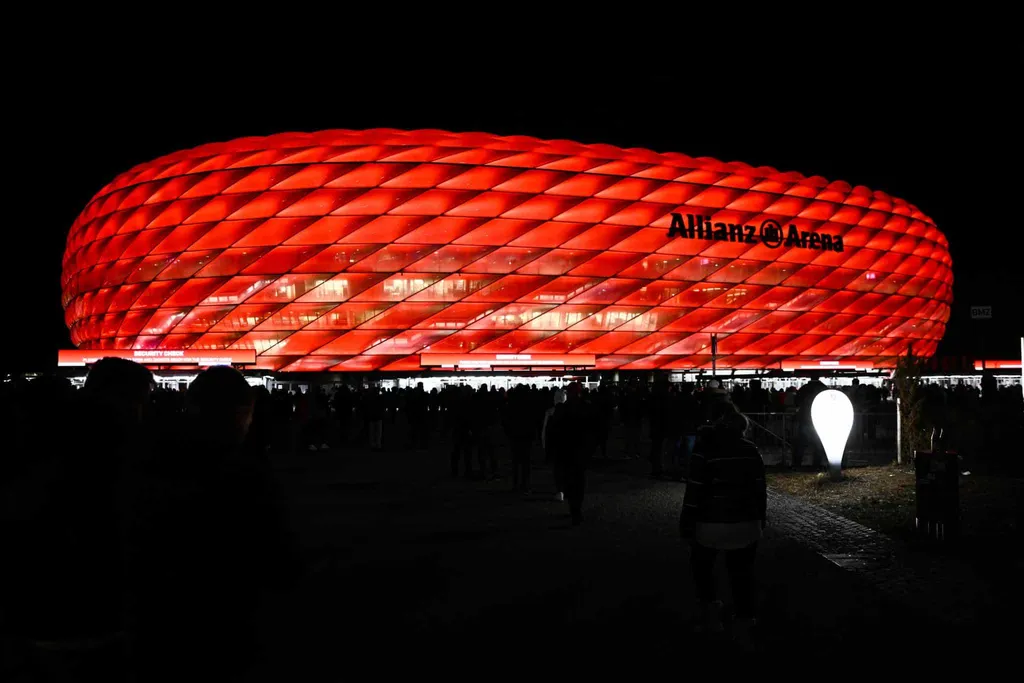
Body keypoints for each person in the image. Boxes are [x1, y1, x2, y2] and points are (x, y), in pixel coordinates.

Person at [129, 366, 299, 681]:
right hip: (227, 623)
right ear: (241, 416)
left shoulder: (144, 465)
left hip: (158, 626)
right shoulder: (249, 478)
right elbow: (281, 563)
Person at [680, 400, 766, 640]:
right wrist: (761, 519)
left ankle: (711, 617)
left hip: (710, 521)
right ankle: (744, 621)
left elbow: (694, 491)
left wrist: (686, 523)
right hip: (746, 522)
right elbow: (760, 490)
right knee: (742, 574)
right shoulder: (750, 449)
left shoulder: (704, 449)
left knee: (703, 570)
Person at [546, 383, 596, 525]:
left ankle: (573, 507)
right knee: (579, 480)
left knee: (569, 479)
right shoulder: (586, 407)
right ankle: (576, 508)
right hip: (580, 450)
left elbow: (554, 431)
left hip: (566, 450)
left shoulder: (562, 409)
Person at [542, 389, 567, 500]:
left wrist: (544, 445)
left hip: (555, 444)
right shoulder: (569, 410)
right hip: (568, 443)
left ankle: (560, 491)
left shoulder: (550, 411)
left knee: (557, 468)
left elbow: (544, 430)